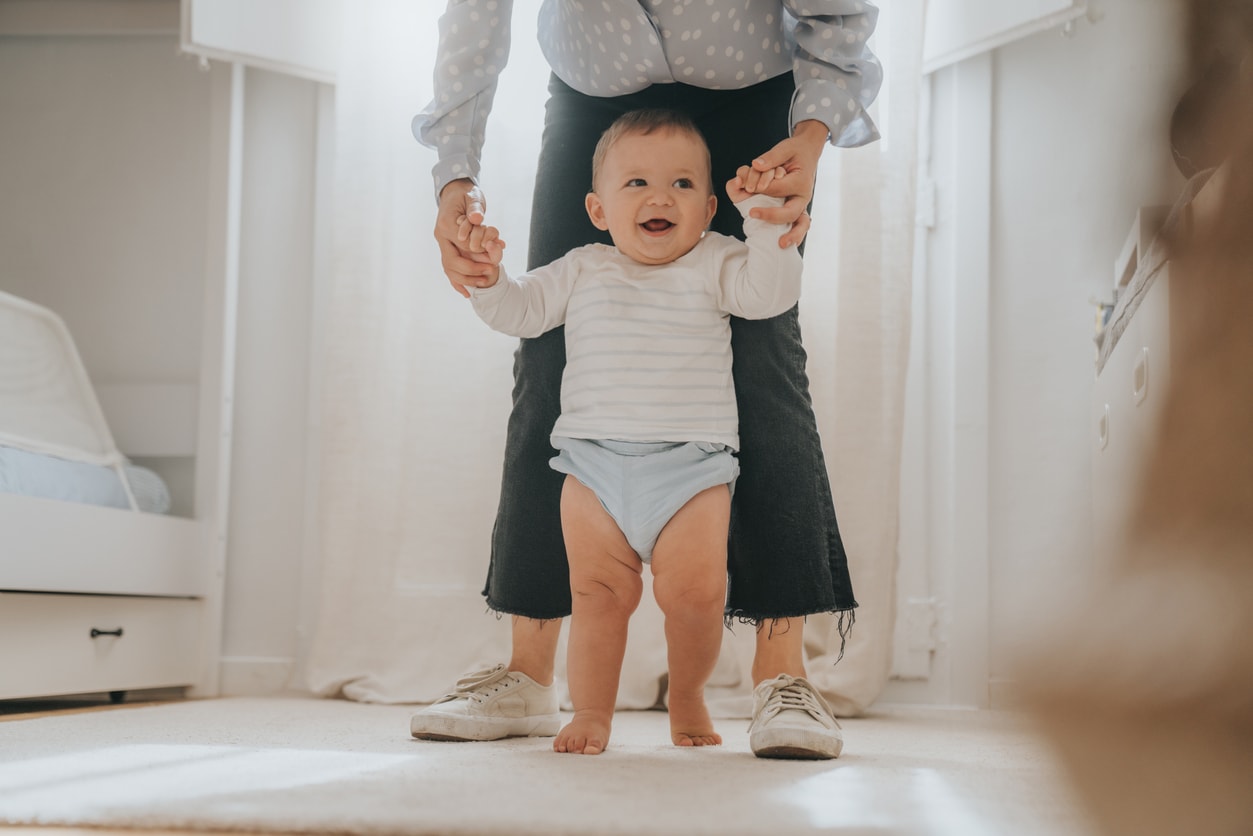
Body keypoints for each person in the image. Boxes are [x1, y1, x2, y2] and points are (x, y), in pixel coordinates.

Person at [409, 0, 882, 760]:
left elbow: (833, 11)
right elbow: (474, 15)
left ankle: (781, 675)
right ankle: (530, 675)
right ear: (602, 206)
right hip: (592, 92)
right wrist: (453, 178)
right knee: (548, 354)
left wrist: (811, 130)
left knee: (764, 356)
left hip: (752, 90)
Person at [464, 108, 802, 754]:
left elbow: (769, 296)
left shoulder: (715, 260)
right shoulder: (583, 266)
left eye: (680, 186)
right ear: (598, 209)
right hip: (592, 467)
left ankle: (687, 694)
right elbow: (522, 311)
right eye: (636, 184)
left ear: (707, 209)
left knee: (697, 596)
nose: (658, 197)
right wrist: (489, 281)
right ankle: (590, 712)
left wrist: (761, 227)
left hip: (693, 466)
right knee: (597, 597)